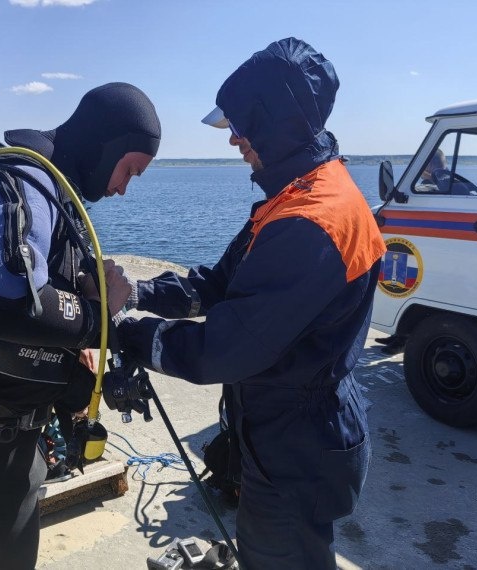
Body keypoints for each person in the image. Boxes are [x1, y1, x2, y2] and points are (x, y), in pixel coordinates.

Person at [117, 38, 387, 569]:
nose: (234, 139)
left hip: (298, 446)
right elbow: (221, 284)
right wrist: (137, 292)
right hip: (285, 431)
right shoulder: (301, 192)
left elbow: (225, 349)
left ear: (274, 123)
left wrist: (126, 331)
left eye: (241, 126)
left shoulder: (311, 223)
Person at [0, 82, 161, 569]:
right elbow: (6, 307)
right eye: (129, 170)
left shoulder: (51, 190)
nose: (122, 188)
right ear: (104, 145)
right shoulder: (22, 183)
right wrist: (98, 318)